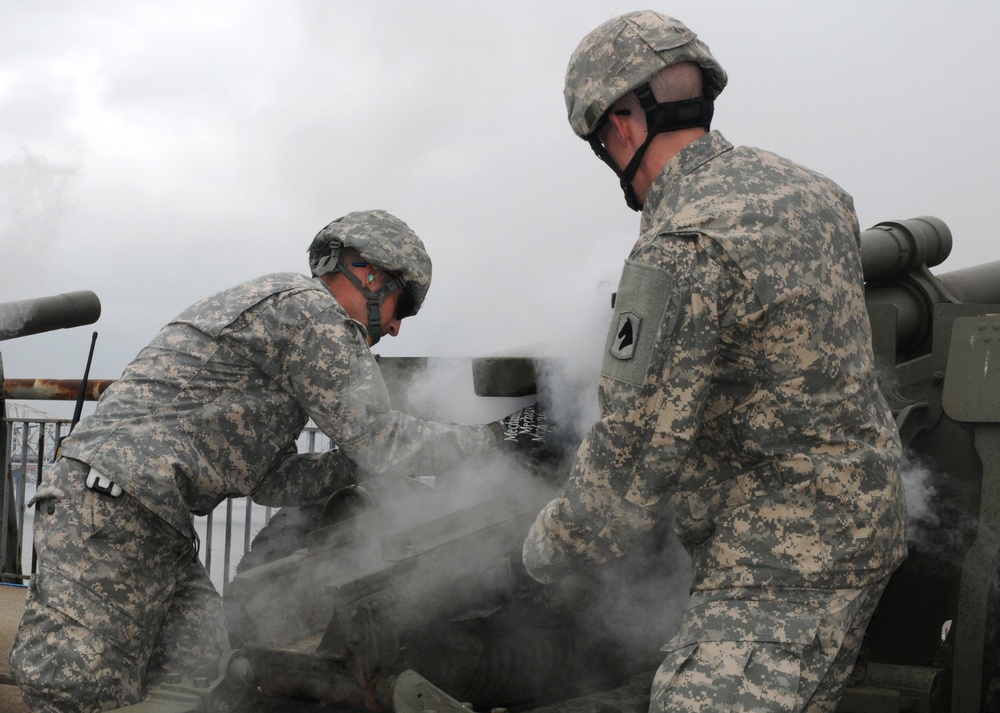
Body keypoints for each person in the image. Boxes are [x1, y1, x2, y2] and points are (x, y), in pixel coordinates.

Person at [10, 209, 547, 713]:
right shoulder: (314, 314)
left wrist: (362, 463)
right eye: (403, 305)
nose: (398, 327)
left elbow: (272, 481)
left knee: (204, 673)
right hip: (108, 507)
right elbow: (382, 439)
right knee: (77, 687)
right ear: (368, 272)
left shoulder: (288, 316)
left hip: (154, 520)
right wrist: (494, 438)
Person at [522, 12, 907, 713]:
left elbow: (631, 468)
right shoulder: (821, 196)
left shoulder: (677, 247)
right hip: (863, 526)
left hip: (778, 565)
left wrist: (546, 546)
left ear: (621, 127)